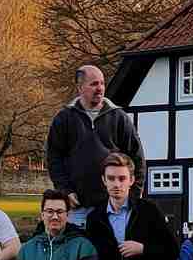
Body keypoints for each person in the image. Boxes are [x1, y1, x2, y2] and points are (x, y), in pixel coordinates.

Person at [46, 65, 146, 228]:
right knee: (79, 245)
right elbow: (54, 159)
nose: (99, 88)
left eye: (102, 83)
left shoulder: (119, 117)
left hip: (114, 207)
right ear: (80, 88)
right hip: (78, 208)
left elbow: (137, 158)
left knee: (114, 245)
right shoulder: (64, 118)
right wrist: (65, 190)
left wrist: (133, 194)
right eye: (94, 84)